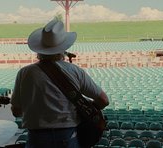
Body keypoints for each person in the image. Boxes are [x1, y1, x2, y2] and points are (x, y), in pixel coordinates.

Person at [10, 19, 109, 148]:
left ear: (39, 49)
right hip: (67, 138)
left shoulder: (24, 73)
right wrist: (83, 110)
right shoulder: (75, 71)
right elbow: (103, 100)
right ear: (63, 48)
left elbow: (16, 111)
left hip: (36, 139)